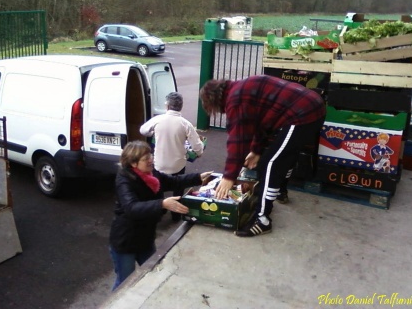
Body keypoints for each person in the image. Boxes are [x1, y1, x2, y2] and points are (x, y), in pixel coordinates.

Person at [199, 75, 326, 237]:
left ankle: (262, 219)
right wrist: (256, 150)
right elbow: (260, 123)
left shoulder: (236, 101)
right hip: (313, 106)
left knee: (270, 163)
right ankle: (279, 191)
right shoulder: (239, 89)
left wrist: (229, 176)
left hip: (303, 114)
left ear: (214, 100)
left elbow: (237, 142)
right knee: (285, 155)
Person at [109, 140, 212, 290]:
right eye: (146, 159)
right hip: (126, 240)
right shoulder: (124, 180)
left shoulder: (151, 174)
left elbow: (173, 181)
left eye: (150, 155)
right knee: (124, 283)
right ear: (133, 163)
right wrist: (162, 204)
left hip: (145, 237)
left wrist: (198, 178)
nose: (151, 160)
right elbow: (131, 207)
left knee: (153, 273)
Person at [139, 92, 204, 221]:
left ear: (167, 105)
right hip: (177, 165)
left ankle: (161, 209)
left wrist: (154, 132)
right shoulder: (186, 124)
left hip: (159, 164)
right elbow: (197, 146)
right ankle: (176, 214)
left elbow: (143, 130)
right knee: (178, 187)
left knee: (158, 187)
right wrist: (199, 152)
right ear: (181, 106)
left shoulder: (158, 120)